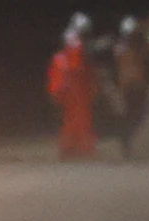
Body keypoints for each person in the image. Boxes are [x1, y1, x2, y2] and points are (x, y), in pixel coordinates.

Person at [49, 20, 98, 159]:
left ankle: (74, 149)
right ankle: (78, 149)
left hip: (75, 95)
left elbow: (86, 75)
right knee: (78, 122)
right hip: (73, 95)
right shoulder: (65, 58)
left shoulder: (64, 58)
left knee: (77, 122)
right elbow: (60, 76)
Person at [111, 21, 149, 156]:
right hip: (130, 87)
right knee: (133, 115)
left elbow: (145, 66)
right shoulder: (124, 49)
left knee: (138, 114)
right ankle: (125, 141)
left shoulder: (135, 48)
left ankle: (126, 140)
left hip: (137, 86)